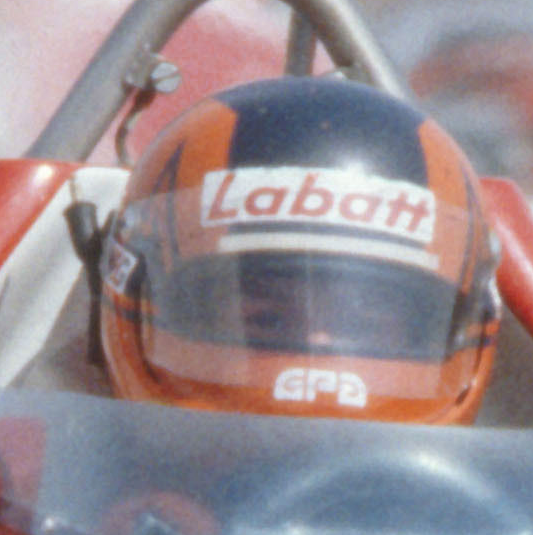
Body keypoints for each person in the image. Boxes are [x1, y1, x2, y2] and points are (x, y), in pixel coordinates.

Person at [91, 77, 501, 424]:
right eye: (264, 320)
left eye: (363, 322)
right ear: (133, 291)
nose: (316, 358)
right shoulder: (49, 497)